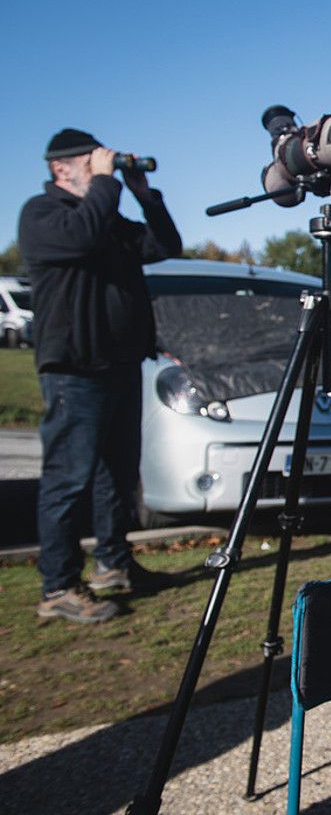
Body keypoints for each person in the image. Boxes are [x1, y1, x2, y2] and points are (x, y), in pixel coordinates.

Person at [18, 129, 181, 624]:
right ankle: (58, 586)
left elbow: (165, 244)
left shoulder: (107, 217)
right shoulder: (43, 215)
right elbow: (81, 237)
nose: (99, 169)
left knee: (119, 474)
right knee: (69, 479)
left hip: (119, 363)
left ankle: (113, 565)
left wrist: (144, 195)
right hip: (74, 369)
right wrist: (107, 184)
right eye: (90, 163)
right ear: (60, 169)